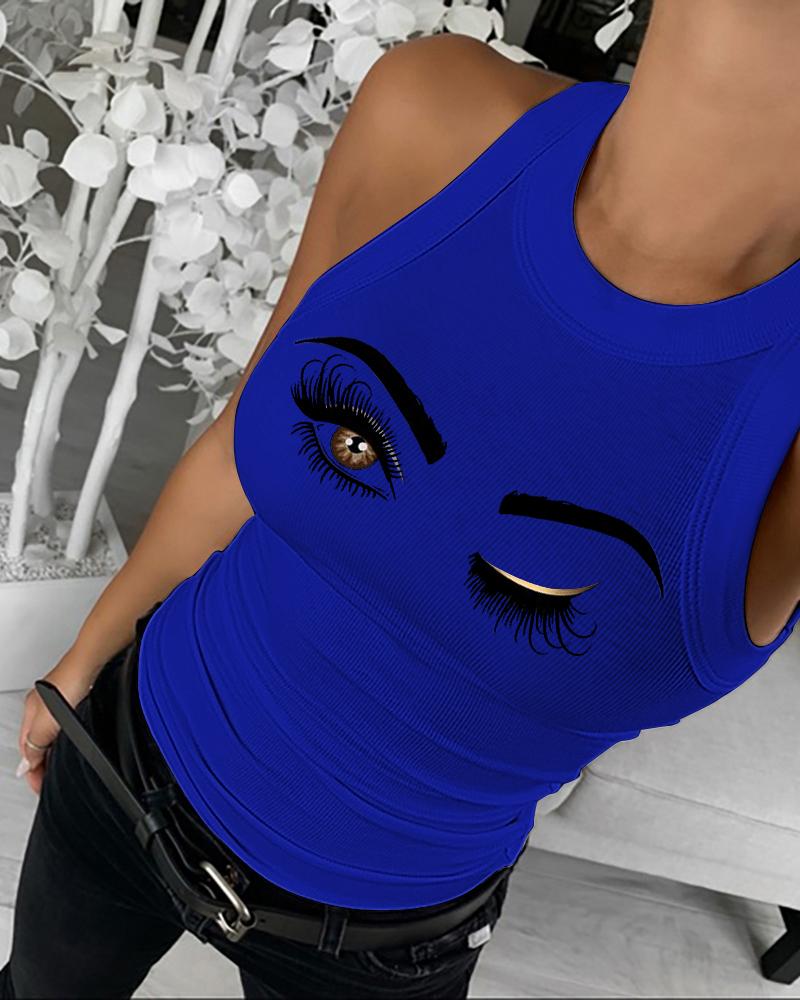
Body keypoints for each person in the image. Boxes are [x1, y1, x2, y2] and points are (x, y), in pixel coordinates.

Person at [3, 1, 800, 996]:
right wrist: (89, 650)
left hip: (378, 946)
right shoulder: (434, 111)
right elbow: (245, 444)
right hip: (129, 755)